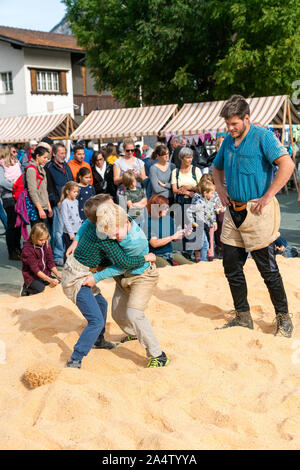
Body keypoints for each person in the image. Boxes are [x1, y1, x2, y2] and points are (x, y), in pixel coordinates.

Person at [212, 94, 295, 337]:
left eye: (235, 123)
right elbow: (216, 167)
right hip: (232, 213)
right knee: (231, 266)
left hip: (257, 212)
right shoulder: (228, 140)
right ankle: (243, 316)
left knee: (268, 270)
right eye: (228, 124)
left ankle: (283, 317)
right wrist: (219, 188)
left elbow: (287, 165)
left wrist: (269, 195)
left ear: (247, 118)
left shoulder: (263, 137)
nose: (230, 128)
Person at [61, 194, 155, 369]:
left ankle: (98, 340)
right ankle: (76, 358)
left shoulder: (95, 223)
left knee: (102, 304)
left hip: (77, 270)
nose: (114, 208)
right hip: (76, 278)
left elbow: (85, 224)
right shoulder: (106, 238)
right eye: (110, 206)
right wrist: (146, 258)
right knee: (95, 321)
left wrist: (76, 240)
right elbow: (125, 263)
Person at [82, 201, 170, 368]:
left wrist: (97, 276)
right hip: (123, 278)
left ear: (127, 223)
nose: (115, 238)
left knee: (134, 314)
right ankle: (134, 334)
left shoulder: (135, 241)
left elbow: (122, 264)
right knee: (117, 313)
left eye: (116, 234)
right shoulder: (119, 219)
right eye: (111, 236)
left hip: (141, 277)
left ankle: (158, 355)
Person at [45, 143, 74, 266]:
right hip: (58, 203)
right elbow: (49, 187)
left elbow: (71, 181)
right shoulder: (49, 167)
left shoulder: (66, 166)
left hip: (70, 202)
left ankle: (68, 254)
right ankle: (57, 257)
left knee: (69, 230)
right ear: (54, 154)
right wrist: (56, 201)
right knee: (58, 232)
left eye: (64, 153)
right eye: (61, 153)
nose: (63, 155)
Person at [147, 194, 194, 267]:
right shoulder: (148, 222)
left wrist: (184, 233)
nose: (167, 209)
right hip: (156, 255)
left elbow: (175, 239)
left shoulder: (168, 219)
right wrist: (172, 237)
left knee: (192, 265)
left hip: (170, 253)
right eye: (165, 208)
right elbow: (154, 243)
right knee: (169, 270)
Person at [20, 222, 61, 296]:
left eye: (45, 239)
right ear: (33, 236)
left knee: (58, 283)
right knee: (41, 290)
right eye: (41, 240)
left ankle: (40, 283)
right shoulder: (27, 250)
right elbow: (35, 270)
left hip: (45, 274)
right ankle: (26, 287)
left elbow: (50, 262)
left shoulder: (46, 244)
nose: (44, 242)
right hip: (32, 277)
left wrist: (58, 274)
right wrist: (50, 280)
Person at [186, 178, 219, 262]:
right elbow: (189, 211)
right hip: (199, 225)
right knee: (204, 244)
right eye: (211, 193)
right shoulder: (199, 203)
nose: (213, 195)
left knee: (206, 244)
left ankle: (203, 260)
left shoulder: (209, 202)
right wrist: (192, 222)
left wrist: (214, 222)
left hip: (206, 226)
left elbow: (211, 214)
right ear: (205, 193)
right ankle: (202, 261)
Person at [0, 146, 22, 259]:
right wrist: (15, 186)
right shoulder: (1, 166)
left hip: (18, 197)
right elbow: (2, 182)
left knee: (18, 224)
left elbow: (20, 176)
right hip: (8, 198)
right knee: (12, 224)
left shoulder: (15, 163)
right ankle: (12, 250)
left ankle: (18, 248)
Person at [25, 146, 52, 228]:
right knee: (37, 236)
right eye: (44, 157)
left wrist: (49, 207)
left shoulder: (41, 169)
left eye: (47, 158)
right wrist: (40, 209)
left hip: (44, 207)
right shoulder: (31, 170)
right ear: (37, 156)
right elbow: (32, 191)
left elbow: (44, 190)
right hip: (36, 208)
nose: (46, 160)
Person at [113, 138, 146, 204]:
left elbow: (144, 179)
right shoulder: (118, 162)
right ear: (124, 150)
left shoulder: (139, 162)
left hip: (137, 193)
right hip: (123, 194)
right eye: (128, 150)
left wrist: (137, 175)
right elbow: (115, 181)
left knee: (138, 213)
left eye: (132, 150)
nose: (130, 152)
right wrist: (127, 175)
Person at [60, 181, 82, 259]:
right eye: (74, 192)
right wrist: (71, 233)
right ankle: (67, 266)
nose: (76, 193)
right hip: (69, 232)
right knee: (69, 250)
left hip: (78, 230)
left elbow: (77, 215)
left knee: (77, 250)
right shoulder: (65, 203)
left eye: (77, 192)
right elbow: (65, 219)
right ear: (67, 192)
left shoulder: (76, 201)